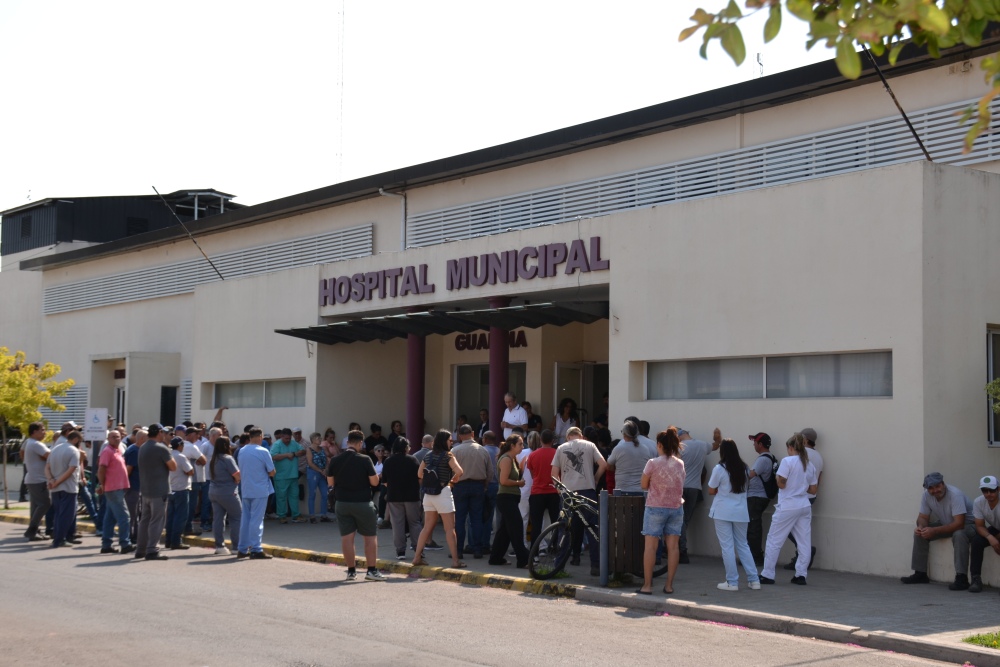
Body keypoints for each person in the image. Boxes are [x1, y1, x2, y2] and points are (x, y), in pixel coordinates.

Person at [327, 429, 386, 581]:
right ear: (360, 443)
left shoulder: (335, 460)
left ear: (347, 442)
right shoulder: (365, 459)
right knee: (370, 537)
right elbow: (374, 482)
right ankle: (371, 571)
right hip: (363, 502)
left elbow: (330, 482)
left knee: (347, 538)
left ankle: (351, 571)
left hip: (342, 503)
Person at [900, 471, 976, 589]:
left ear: (943, 484)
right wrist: (921, 527)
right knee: (920, 534)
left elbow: (959, 523)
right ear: (927, 488)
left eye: (937, 486)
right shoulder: (926, 495)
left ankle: (962, 578)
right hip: (946, 523)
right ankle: (920, 574)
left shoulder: (955, 494)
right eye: (931, 488)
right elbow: (923, 517)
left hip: (968, 525)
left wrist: (934, 531)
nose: (935, 490)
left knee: (959, 535)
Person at [760, 434, 819, 586]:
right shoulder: (809, 465)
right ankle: (801, 575)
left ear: (791, 447)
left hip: (788, 505)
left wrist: (778, 478)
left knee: (774, 539)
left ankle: (768, 574)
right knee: (804, 542)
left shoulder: (788, 461)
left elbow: (781, 484)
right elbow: (813, 490)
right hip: (804, 505)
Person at [551, 426, 607, 576]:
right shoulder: (590, 445)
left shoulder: (561, 448)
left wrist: (559, 490)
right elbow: (603, 464)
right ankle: (596, 566)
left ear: (568, 437)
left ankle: (559, 566)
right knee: (592, 529)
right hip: (587, 492)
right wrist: (594, 479)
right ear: (581, 436)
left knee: (566, 529)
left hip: (568, 494)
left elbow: (554, 474)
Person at [636, 428, 685, 595]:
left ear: (659, 445)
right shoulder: (680, 464)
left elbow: (643, 485)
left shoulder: (652, 463)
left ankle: (647, 585)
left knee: (650, 547)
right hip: (676, 508)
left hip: (655, 506)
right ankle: (669, 585)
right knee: (673, 548)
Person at [707, 439, 760, 591]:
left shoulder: (719, 468)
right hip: (741, 512)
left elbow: (711, 490)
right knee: (743, 545)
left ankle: (732, 582)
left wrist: (721, 491)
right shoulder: (744, 468)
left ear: (722, 452)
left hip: (723, 511)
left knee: (727, 547)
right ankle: (754, 580)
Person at [412, 430, 466, 569]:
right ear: (444, 441)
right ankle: (455, 561)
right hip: (443, 493)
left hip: (428, 495)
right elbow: (460, 471)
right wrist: (453, 480)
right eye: (449, 440)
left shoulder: (428, 455)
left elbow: (419, 474)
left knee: (426, 528)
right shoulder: (448, 456)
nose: (451, 442)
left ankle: (417, 557)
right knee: (450, 529)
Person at [676, 426, 721, 564]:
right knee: (686, 519)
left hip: (680, 487)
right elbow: (715, 446)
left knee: (679, 520)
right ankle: (679, 548)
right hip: (695, 488)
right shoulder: (702, 445)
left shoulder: (679, 447)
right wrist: (717, 437)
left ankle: (681, 551)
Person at [135, 423, 177, 560]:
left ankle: (140, 549)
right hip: (159, 490)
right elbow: (173, 466)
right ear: (159, 433)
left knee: (144, 520)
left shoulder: (142, 447)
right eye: (162, 432)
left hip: (146, 489)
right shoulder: (161, 448)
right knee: (157, 521)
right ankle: (152, 549)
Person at [785, 426, 823, 571]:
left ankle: (803, 553)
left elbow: (790, 474)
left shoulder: (801, 453)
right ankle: (802, 556)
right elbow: (818, 479)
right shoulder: (819, 456)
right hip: (811, 496)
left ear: (805, 440)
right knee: (801, 530)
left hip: (798, 496)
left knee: (787, 528)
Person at [450, 424, 491, 558]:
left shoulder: (455, 451)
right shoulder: (482, 450)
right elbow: (490, 472)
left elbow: (450, 471)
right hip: (478, 486)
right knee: (477, 519)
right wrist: (484, 485)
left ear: (460, 436)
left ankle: (459, 550)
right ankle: (477, 549)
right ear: (473, 433)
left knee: (460, 520)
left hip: (460, 486)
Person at [490, 434, 530, 567]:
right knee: (516, 527)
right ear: (512, 446)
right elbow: (503, 480)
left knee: (505, 531)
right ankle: (523, 560)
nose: (522, 447)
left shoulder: (512, 459)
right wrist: (519, 483)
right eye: (520, 444)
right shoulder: (506, 459)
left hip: (510, 498)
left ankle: (495, 558)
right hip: (506, 498)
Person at [381, 437, 423, 560]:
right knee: (415, 523)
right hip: (412, 496)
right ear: (406, 448)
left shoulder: (388, 461)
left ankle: (400, 551)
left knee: (397, 524)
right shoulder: (413, 460)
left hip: (394, 497)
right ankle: (418, 549)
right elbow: (420, 478)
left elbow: (385, 482)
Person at [237, 428, 276, 559]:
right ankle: (256, 548)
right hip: (259, 489)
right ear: (259, 437)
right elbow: (272, 471)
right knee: (257, 520)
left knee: (246, 520)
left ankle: (242, 548)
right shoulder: (263, 451)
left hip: (246, 489)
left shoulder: (242, 450)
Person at [97, 428, 133, 554]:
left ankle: (106, 545)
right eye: (113, 437)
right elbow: (101, 469)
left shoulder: (117, 450)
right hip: (113, 489)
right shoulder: (107, 451)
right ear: (108, 439)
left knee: (110, 518)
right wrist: (101, 484)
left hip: (118, 488)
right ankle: (125, 543)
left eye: (118, 436)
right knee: (124, 517)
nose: (116, 438)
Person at [46, 429, 83, 548]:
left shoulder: (55, 449)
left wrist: (51, 480)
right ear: (76, 439)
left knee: (58, 514)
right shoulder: (73, 451)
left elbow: (47, 467)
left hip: (56, 488)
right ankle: (59, 539)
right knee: (67, 515)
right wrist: (57, 482)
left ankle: (65, 537)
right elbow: (71, 470)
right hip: (68, 487)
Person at [526, 429, 560, 552]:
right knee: (556, 522)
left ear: (540, 440)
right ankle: (555, 548)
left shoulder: (533, 455)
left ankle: (534, 552)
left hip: (537, 493)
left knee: (536, 524)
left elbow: (532, 474)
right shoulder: (557, 453)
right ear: (552, 441)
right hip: (553, 492)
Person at [746, 432, 777, 563]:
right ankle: (755, 555)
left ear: (760, 444)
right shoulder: (769, 458)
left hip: (756, 497)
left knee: (753, 526)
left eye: (755, 442)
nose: (753, 444)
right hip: (759, 497)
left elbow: (750, 475)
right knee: (754, 525)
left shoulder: (763, 459)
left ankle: (755, 556)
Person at [208, 436, 241, 555]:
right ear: (226, 446)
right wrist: (237, 480)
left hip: (214, 491)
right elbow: (237, 474)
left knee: (218, 519)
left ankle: (219, 546)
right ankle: (236, 547)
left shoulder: (214, 458)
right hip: (228, 492)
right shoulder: (227, 458)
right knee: (237, 517)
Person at [969, 475, 1000, 593]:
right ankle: (975, 579)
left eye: (992, 490)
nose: (988, 494)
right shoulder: (979, 502)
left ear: (998, 489)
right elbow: (980, 526)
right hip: (995, 528)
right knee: (977, 541)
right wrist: (990, 538)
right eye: (984, 491)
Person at [21, 422, 51, 542]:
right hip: (38, 479)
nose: (44, 432)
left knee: (36, 507)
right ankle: (32, 529)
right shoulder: (36, 444)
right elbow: (50, 455)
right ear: (34, 432)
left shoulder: (29, 442)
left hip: (32, 478)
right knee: (45, 503)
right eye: (42, 430)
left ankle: (34, 532)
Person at [607, 421, 654, 495]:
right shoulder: (645, 449)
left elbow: (609, 466)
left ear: (624, 434)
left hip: (621, 490)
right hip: (640, 491)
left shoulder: (619, 448)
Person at [165, 436, 194, 550]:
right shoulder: (181, 457)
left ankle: (168, 540)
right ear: (180, 445)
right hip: (181, 489)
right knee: (180, 517)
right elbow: (190, 471)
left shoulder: (169, 455)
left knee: (171, 517)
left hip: (170, 489)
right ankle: (176, 541)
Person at [270, 428, 304, 523]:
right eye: (286, 438)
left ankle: (296, 515)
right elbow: (272, 456)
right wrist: (286, 455)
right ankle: (282, 516)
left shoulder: (294, 443)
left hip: (293, 475)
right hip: (281, 476)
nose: (288, 440)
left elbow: (303, 451)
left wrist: (295, 453)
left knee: (294, 496)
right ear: (281, 437)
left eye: (289, 438)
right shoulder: (277, 445)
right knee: (281, 497)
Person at [123, 427, 146, 543]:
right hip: (133, 487)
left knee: (137, 513)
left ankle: (135, 536)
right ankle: (131, 537)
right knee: (133, 514)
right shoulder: (134, 451)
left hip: (138, 486)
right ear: (142, 439)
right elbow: (128, 469)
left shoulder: (136, 449)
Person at [305, 432, 330, 523]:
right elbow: (310, 463)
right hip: (313, 473)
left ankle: (323, 514)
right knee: (312, 494)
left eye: (320, 438)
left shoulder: (322, 449)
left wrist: (326, 469)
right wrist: (320, 470)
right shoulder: (309, 449)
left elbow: (326, 460)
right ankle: (312, 515)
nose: (320, 440)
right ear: (313, 440)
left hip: (322, 473)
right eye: (318, 438)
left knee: (325, 493)